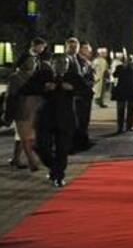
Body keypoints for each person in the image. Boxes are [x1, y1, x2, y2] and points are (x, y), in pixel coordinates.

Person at [20, 54, 91, 187]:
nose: (62, 66)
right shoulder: (43, 75)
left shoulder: (73, 77)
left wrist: (73, 89)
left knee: (62, 150)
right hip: (45, 118)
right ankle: (54, 168)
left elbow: (88, 92)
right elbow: (24, 89)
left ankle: (58, 176)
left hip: (65, 118)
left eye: (65, 63)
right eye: (58, 63)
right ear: (51, 63)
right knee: (41, 147)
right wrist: (43, 88)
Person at [4, 56, 40, 171]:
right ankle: (31, 161)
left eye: (34, 61)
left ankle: (16, 158)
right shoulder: (16, 78)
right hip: (22, 109)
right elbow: (11, 97)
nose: (33, 63)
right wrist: (8, 113)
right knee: (26, 137)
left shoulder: (34, 76)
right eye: (30, 61)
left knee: (21, 135)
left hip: (34, 109)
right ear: (22, 64)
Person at [113, 56, 133, 134]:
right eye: (128, 60)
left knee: (130, 109)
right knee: (121, 110)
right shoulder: (120, 67)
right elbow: (115, 75)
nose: (129, 62)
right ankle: (120, 127)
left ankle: (129, 126)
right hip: (121, 91)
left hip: (131, 91)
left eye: (130, 60)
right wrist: (122, 68)